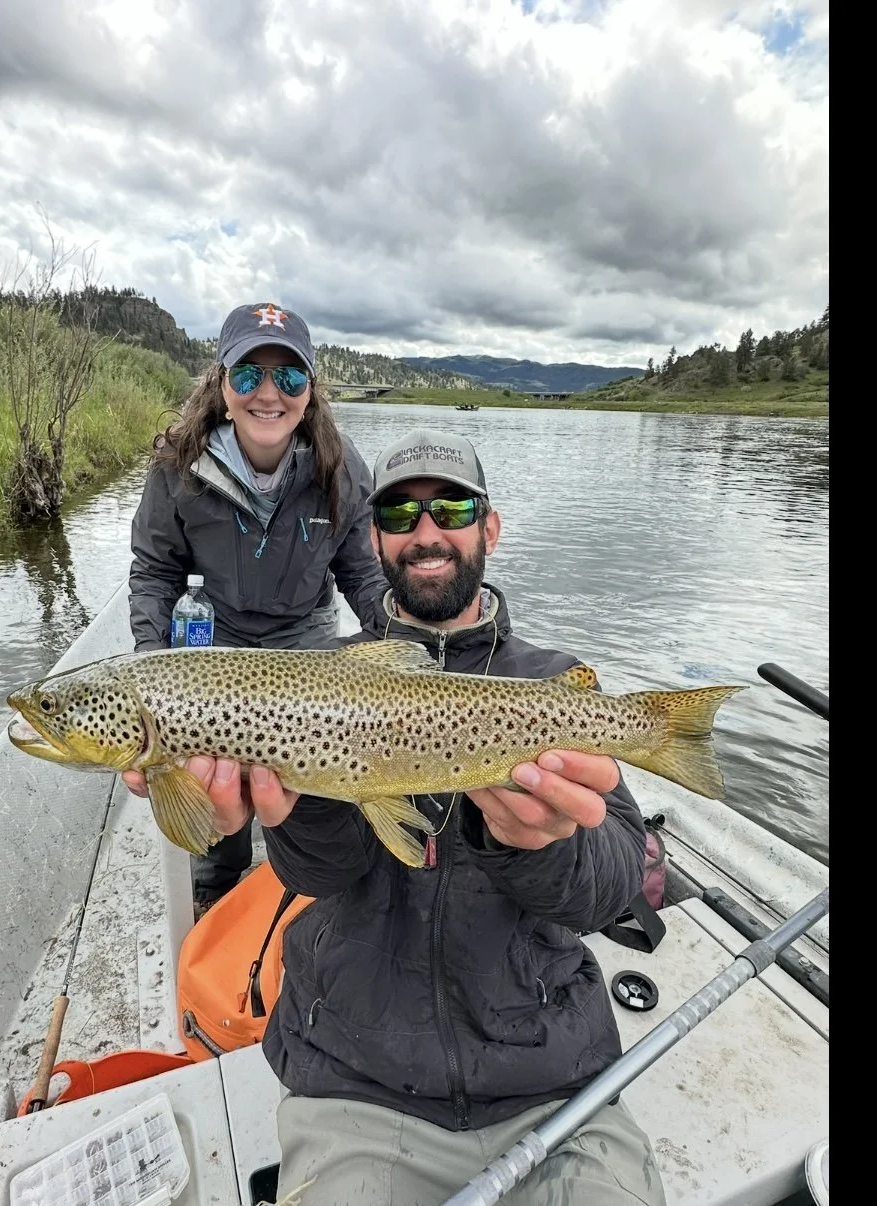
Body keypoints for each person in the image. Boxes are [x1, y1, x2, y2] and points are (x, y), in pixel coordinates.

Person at [124, 426, 666, 1205]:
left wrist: (537, 847)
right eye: (398, 515)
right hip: (356, 1084)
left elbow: (612, 891)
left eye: (450, 507)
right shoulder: (313, 682)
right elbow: (320, 875)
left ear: (490, 527)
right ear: (372, 540)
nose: (425, 531)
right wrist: (291, 810)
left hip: (553, 1080)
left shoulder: (550, 686)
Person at [127, 302, 387, 912]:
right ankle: (217, 888)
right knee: (215, 790)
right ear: (221, 385)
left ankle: (307, 890)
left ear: (310, 391)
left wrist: (411, 645)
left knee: (317, 787)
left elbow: (364, 575)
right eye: (249, 375)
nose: (268, 394)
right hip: (214, 641)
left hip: (307, 640)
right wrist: (152, 670)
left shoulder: (342, 468)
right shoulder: (177, 465)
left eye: (289, 377)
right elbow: (155, 572)